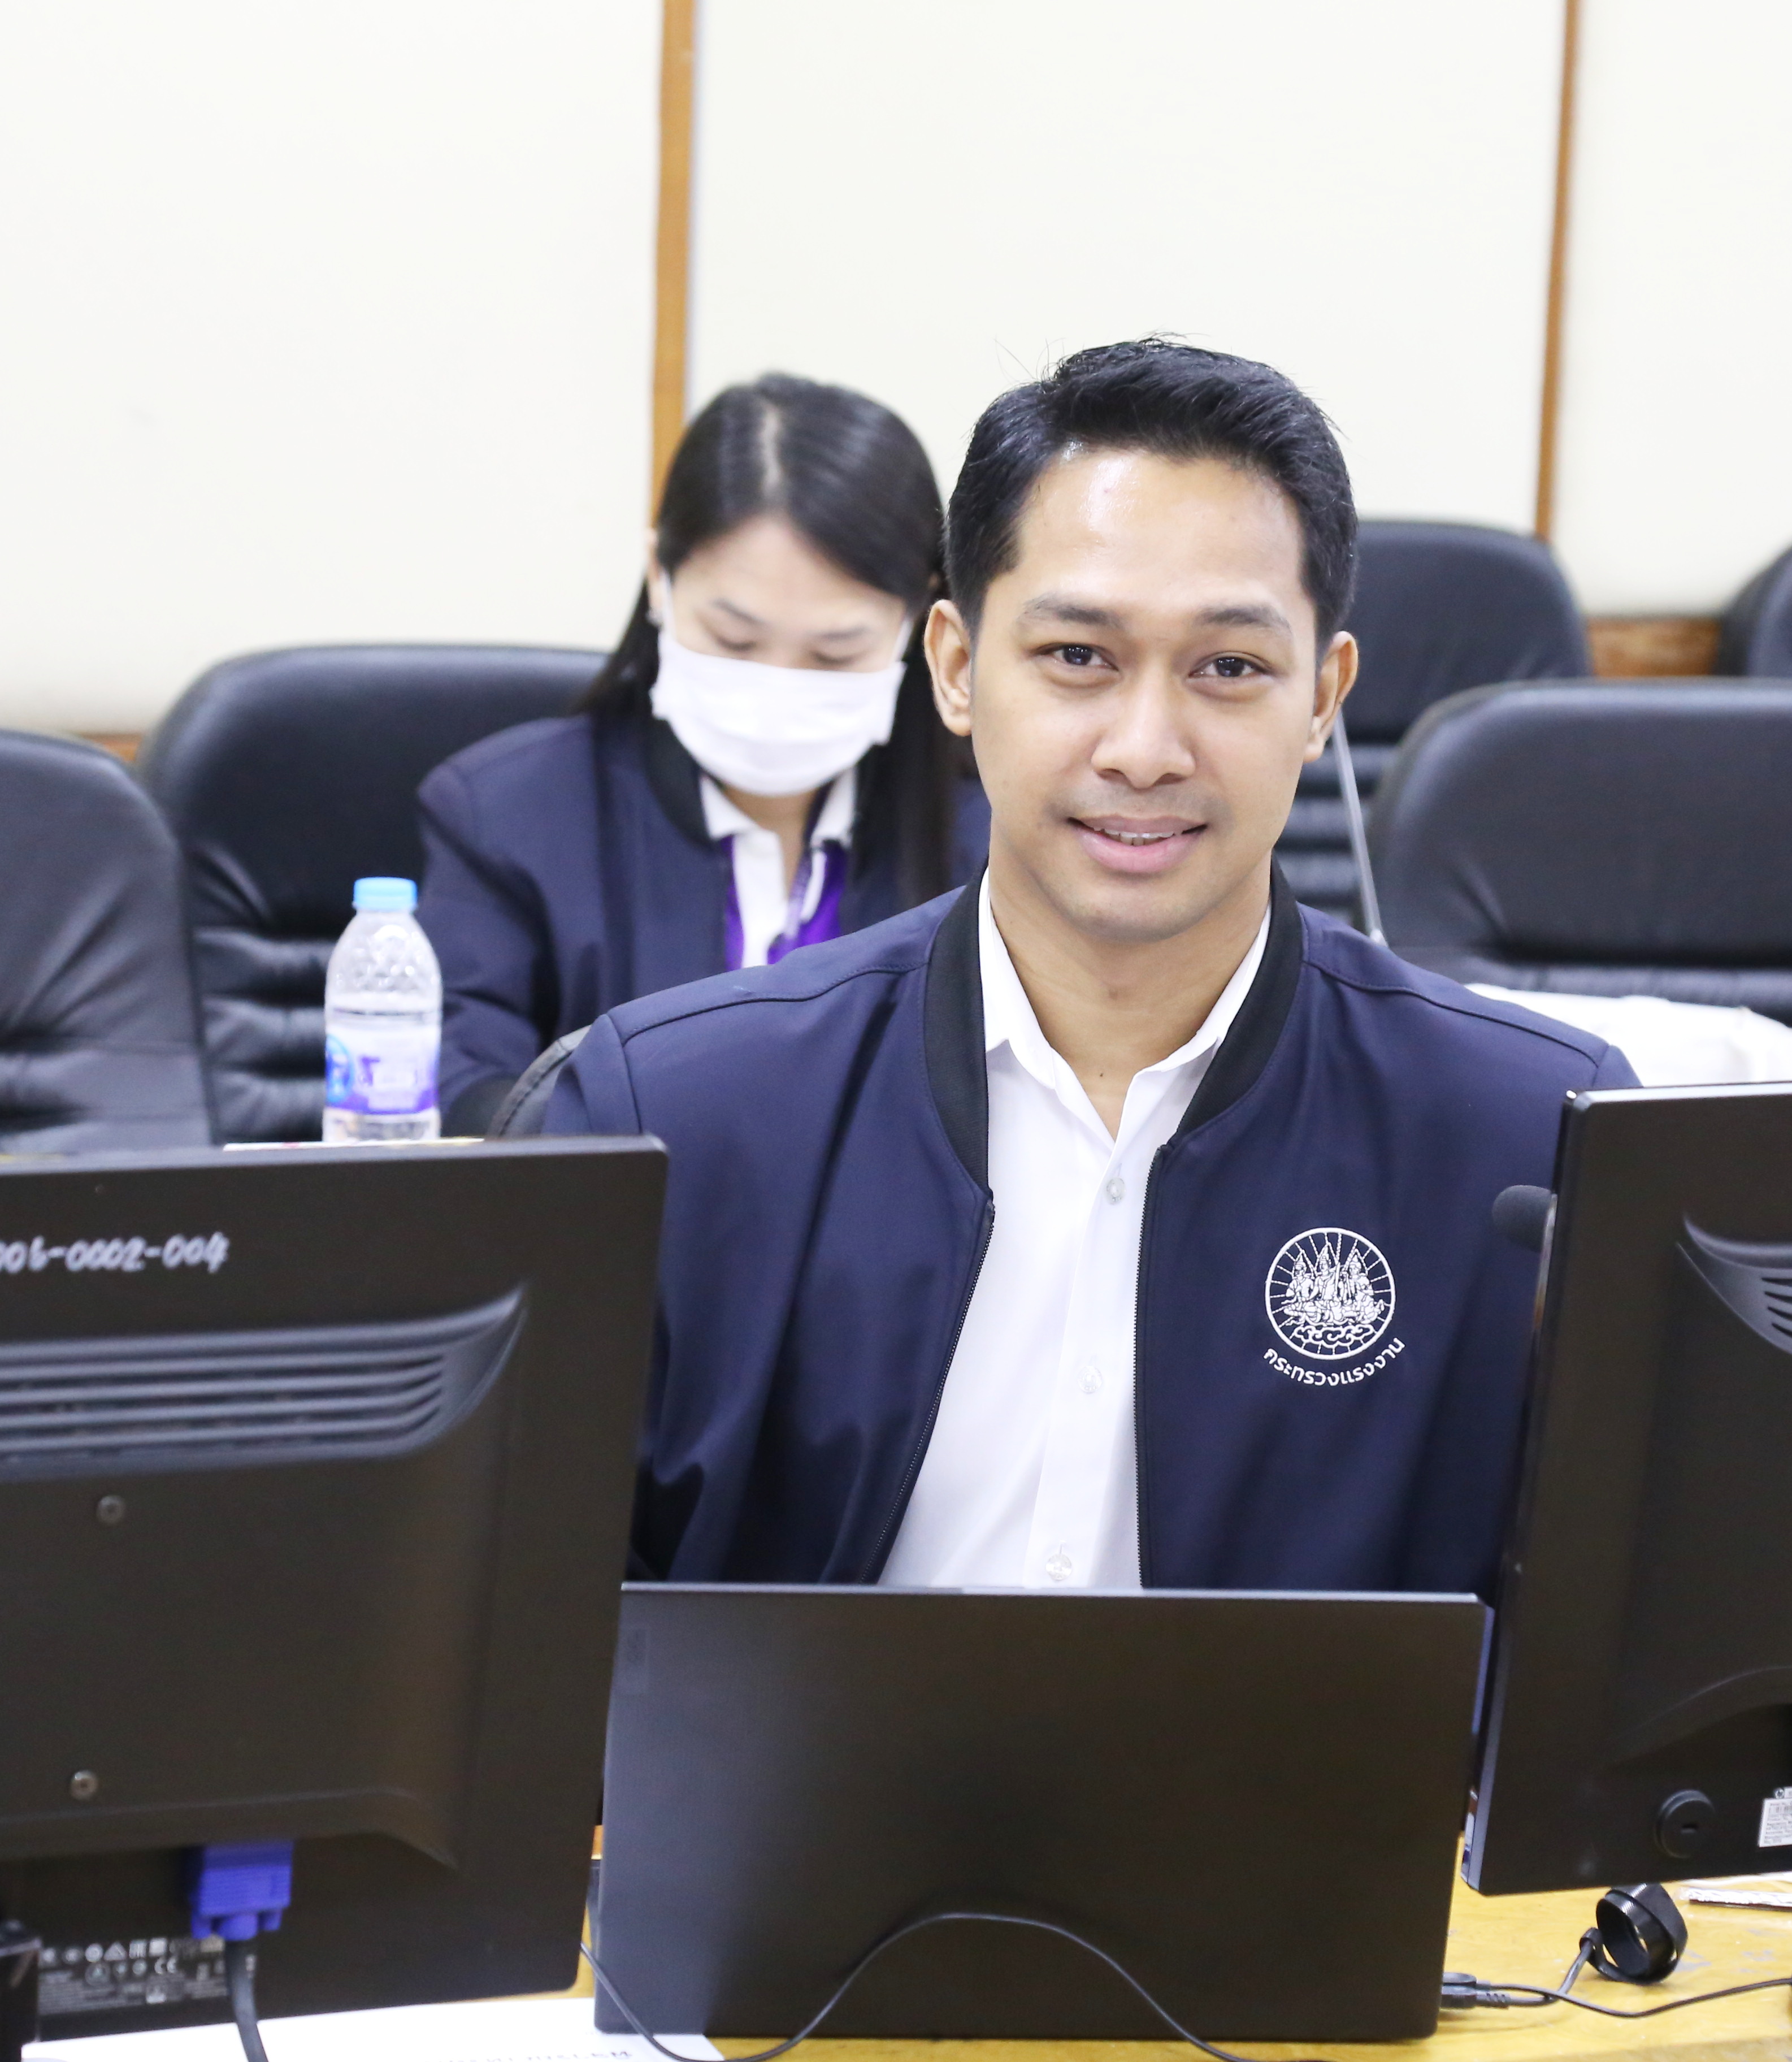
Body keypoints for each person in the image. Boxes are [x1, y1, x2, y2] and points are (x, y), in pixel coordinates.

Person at [540, 340, 1634, 1592]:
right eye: (1078, 657)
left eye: (1230, 668)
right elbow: (528, 1637)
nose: (1145, 748)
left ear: (1324, 698)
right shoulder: (674, 1117)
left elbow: (1607, 1638)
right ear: (956, 668)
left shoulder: (1536, 1141)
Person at [417, 374, 984, 1133]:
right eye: (734, 640)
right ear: (660, 576)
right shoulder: (506, 815)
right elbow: (468, 1100)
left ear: (920, 621)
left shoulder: (992, 839)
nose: (778, 687)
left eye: (835, 653)